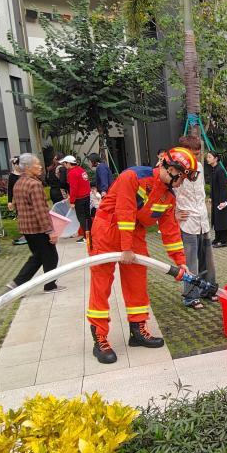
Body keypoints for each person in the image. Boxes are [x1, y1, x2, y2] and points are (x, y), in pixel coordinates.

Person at [87, 147, 198, 364]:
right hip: (107, 230)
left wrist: (181, 262)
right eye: (181, 177)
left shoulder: (168, 197)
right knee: (101, 285)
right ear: (170, 168)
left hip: (134, 234)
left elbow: (171, 231)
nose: (181, 183)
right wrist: (126, 248)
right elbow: (125, 211)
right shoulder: (134, 177)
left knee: (137, 282)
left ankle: (137, 330)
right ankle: (100, 337)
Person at [6, 153, 66, 293]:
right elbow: (41, 211)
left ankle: (16, 285)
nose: (40, 167)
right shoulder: (34, 184)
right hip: (38, 228)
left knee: (38, 256)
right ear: (27, 168)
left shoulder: (18, 183)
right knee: (51, 256)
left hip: (27, 228)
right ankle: (49, 285)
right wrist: (50, 231)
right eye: (37, 164)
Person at [174, 135, 217, 309]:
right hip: (187, 221)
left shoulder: (199, 167)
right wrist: (174, 213)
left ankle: (208, 290)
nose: (196, 157)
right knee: (191, 262)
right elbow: (167, 193)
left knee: (207, 259)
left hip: (202, 219)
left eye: (198, 153)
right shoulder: (175, 169)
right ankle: (191, 296)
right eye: (193, 154)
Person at [206, 151, 227, 247]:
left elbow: (223, 186)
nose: (208, 159)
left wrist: (223, 201)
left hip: (221, 198)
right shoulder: (213, 169)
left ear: (216, 158)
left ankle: (223, 241)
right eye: (207, 157)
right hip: (215, 198)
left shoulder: (220, 170)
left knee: (222, 219)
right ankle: (217, 238)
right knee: (216, 218)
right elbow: (212, 186)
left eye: (209, 157)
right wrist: (210, 197)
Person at [60, 155, 91, 244]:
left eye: (65, 163)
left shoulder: (72, 173)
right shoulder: (81, 170)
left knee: (81, 218)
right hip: (86, 196)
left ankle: (86, 237)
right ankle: (90, 234)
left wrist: (72, 201)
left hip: (79, 198)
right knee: (87, 216)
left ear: (69, 163)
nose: (64, 165)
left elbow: (73, 188)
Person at [7, 156, 27, 246]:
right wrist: (9, 201)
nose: (16, 166)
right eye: (14, 165)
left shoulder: (26, 174)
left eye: (17, 164)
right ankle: (24, 234)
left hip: (27, 198)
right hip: (18, 200)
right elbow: (10, 189)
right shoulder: (12, 175)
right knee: (21, 216)